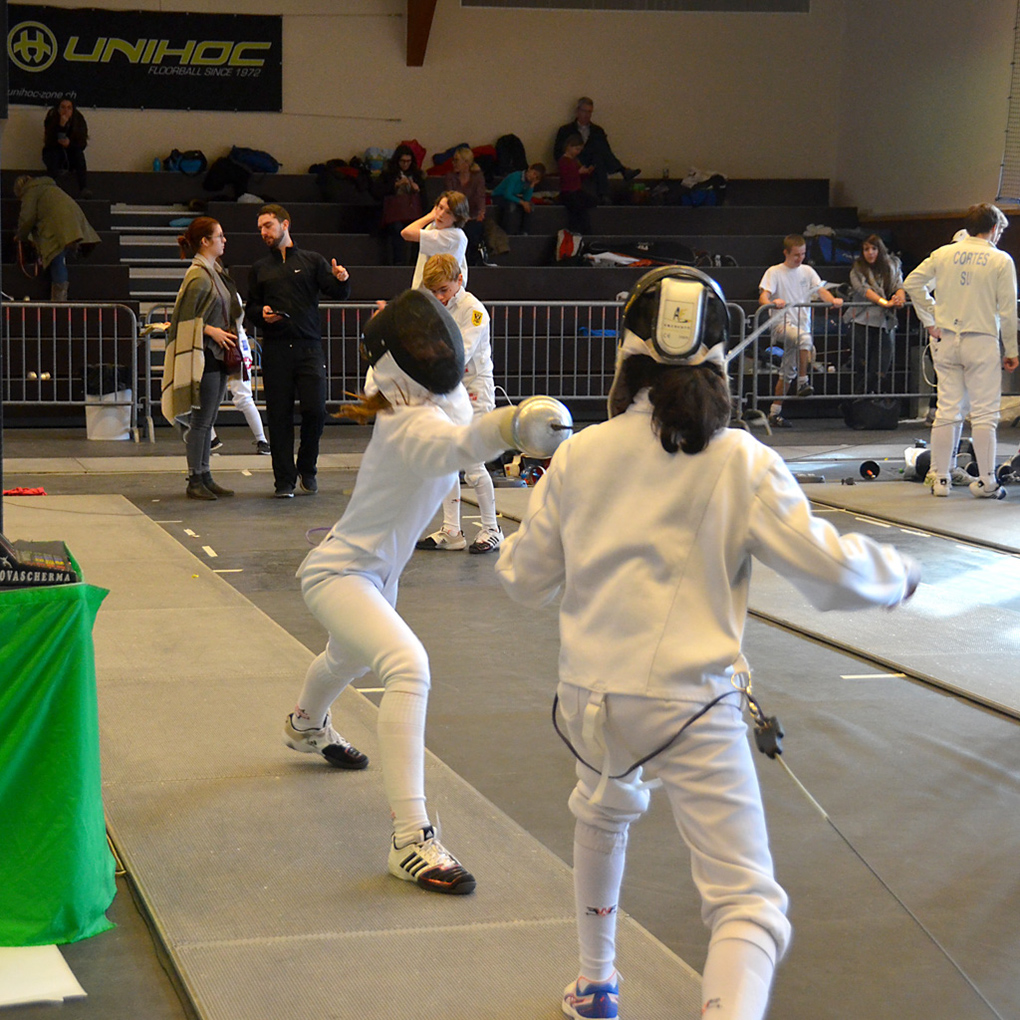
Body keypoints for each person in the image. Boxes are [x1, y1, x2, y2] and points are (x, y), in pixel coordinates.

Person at [495, 266, 919, 1020]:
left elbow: (523, 578)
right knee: (748, 906)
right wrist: (900, 574)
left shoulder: (582, 454)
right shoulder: (739, 459)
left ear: (629, 352)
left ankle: (595, 983)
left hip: (590, 699)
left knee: (602, 808)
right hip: (691, 701)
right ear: (720, 355)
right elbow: (831, 574)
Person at [283, 288, 570, 895]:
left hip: (376, 575)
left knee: (346, 658)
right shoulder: (407, 424)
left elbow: (460, 425)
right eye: (422, 343)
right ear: (400, 364)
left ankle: (305, 725)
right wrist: (512, 424)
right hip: (339, 574)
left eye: (437, 337)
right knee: (407, 665)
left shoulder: (437, 402)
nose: (437, 349)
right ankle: (411, 839)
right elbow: (458, 447)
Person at [904, 203, 1019, 498]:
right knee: (984, 414)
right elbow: (1007, 311)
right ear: (994, 228)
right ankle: (987, 482)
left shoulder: (943, 253)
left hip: (946, 339)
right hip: (981, 340)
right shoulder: (1000, 260)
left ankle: (940, 478)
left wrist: (931, 316)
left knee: (947, 411)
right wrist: (1011, 350)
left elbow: (912, 282)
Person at [246, 204, 351, 498]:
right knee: (279, 416)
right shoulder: (259, 268)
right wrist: (261, 314)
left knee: (315, 410)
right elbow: (251, 307)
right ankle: (284, 479)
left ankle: (307, 467)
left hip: (308, 347)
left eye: (268, 226)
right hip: (276, 349)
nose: (264, 232)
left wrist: (342, 278)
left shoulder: (312, 260)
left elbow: (338, 292)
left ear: (285, 225)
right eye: (260, 228)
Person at [414, 254, 502, 554]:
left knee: (472, 462)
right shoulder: (436, 307)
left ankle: (492, 529)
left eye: (444, 289)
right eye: (434, 291)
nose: (439, 296)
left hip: (475, 391)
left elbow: (459, 352)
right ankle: (452, 530)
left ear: (459, 280)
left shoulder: (473, 310)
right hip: (449, 390)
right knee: (447, 460)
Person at [160, 218, 241, 501]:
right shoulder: (198, 276)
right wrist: (210, 330)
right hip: (204, 354)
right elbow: (182, 319)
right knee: (201, 421)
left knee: (208, 419)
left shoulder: (213, 271)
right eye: (219, 236)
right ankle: (195, 477)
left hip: (216, 354)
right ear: (205, 241)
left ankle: (205, 475)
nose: (224, 240)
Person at [758, 234, 843, 428]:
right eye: (796, 255)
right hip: (782, 324)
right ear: (786, 253)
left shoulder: (808, 271)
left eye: (803, 254)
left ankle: (774, 412)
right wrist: (772, 302)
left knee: (788, 371)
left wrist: (833, 300)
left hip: (802, 324)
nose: (800, 258)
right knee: (804, 339)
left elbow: (820, 290)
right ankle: (803, 381)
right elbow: (763, 296)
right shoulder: (774, 272)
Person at [14, 174, 100, 302]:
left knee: (56, 260)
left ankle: (59, 300)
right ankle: (60, 297)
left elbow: (27, 218)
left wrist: (20, 236)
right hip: (73, 221)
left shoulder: (30, 191)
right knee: (60, 258)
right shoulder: (49, 187)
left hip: (58, 227)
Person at [843, 234, 906, 394]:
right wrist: (885, 302)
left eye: (873, 248)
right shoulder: (857, 269)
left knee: (881, 364)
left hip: (885, 322)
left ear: (880, 250)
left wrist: (899, 299)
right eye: (866, 249)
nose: (870, 252)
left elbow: (899, 284)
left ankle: (874, 396)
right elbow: (864, 290)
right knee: (862, 364)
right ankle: (859, 398)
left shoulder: (892, 265)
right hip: (861, 321)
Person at [553, 97, 639, 202]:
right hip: (576, 161)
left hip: (593, 161)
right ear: (578, 111)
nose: (587, 115)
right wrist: (573, 163)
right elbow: (557, 152)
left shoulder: (597, 130)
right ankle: (621, 170)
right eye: (584, 111)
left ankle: (607, 190)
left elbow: (606, 151)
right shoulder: (565, 130)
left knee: (598, 156)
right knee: (598, 150)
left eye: (589, 112)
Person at [402, 191, 469, 289]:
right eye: (440, 207)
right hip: (424, 290)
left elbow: (406, 233)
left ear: (457, 217)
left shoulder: (454, 236)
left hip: (441, 293)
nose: (441, 214)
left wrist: (430, 215)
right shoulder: (432, 227)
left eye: (448, 212)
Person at [378, 145, 425, 266]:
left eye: (408, 161)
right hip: (395, 214)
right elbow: (379, 192)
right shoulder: (389, 174)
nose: (405, 164)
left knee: (419, 229)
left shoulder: (417, 175)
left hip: (413, 212)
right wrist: (396, 185)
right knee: (396, 228)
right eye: (403, 161)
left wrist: (417, 189)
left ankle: (415, 261)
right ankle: (399, 261)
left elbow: (425, 198)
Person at [443, 148, 490, 266]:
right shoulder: (450, 176)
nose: (453, 163)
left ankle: (472, 262)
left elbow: (480, 196)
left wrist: (481, 211)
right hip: (455, 214)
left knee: (475, 229)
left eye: (456, 160)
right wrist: (461, 215)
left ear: (466, 163)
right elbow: (451, 197)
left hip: (472, 214)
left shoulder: (477, 177)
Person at [42, 95, 90, 196]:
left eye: (69, 108)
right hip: (55, 151)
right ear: (58, 109)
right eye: (63, 107)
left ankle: (83, 187)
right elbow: (49, 141)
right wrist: (61, 126)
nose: (65, 111)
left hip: (72, 152)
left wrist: (69, 144)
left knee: (79, 155)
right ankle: (51, 187)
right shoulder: (51, 118)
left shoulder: (79, 120)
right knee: (53, 154)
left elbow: (82, 144)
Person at [557, 135, 598, 236]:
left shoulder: (575, 161)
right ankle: (583, 231)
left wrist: (586, 173)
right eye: (577, 149)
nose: (578, 152)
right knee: (579, 209)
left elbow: (578, 178)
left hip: (576, 190)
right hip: (568, 192)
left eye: (580, 150)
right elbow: (566, 177)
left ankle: (582, 230)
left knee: (592, 201)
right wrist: (578, 172)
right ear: (569, 147)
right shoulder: (563, 161)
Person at [492, 162, 545, 236]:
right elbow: (507, 194)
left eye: (536, 177)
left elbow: (526, 198)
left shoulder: (528, 182)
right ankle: (507, 232)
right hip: (499, 195)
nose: (533, 177)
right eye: (534, 173)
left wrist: (532, 186)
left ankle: (524, 232)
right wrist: (522, 203)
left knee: (530, 206)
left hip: (512, 197)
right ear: (529, 169)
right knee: (511, 206)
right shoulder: (516, 176)